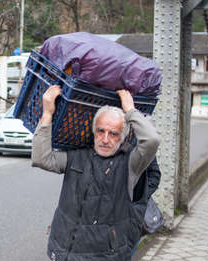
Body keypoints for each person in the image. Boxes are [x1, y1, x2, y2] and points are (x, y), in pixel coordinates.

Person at [32, 85, 161, 261]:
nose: (105, 139)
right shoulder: (77, 156)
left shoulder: (131, 163)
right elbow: (41, 158)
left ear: (122, 137)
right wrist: (47, 114)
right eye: (101, 131)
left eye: (113, 133)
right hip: (63, 250)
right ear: (93, 131)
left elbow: (152, 140)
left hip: (106, 255)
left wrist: (130, 111)